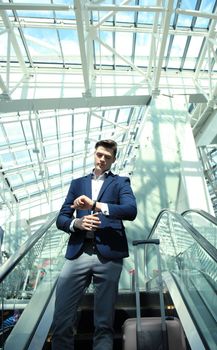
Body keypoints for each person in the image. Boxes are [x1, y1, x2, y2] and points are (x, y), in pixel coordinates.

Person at [51, 139, 137, 350]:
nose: (102, 159)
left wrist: (95, 205)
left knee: (104, 322)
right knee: (62, 317)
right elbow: (61, 218)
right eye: (99, 154)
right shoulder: (77, 183)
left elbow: (130, 211)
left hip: (109, 255)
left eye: (107, 157)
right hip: (78, 253)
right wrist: (77, 223)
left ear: (113, 160)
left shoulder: (121, 182)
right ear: (94, 154)